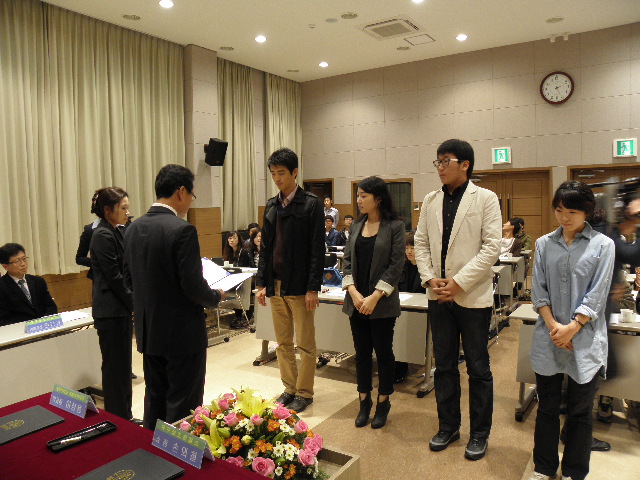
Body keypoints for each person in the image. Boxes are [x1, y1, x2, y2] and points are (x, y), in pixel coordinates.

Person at [414, 138, 501, 460]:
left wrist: (459, 283)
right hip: (438, 294)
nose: (439, 167)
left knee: (478, 368)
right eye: (437, 162)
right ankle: (448, 426)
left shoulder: (485, 198)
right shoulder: (431, 199)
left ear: (465, 164)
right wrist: (429, 278)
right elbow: (421, 243)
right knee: (444, 366)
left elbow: (491, 248)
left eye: (445, 161)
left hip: (472, 296)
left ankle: (479, 433)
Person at [123, 164, 225, 429]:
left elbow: (129, 280)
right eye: (192, 195)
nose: (191, 201)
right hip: (181, 333)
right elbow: (192, 286)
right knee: (183, 403)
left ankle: (150, 449)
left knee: (155, 397)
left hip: (149, 330)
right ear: (181, 192)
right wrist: (215, 296)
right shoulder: (182, 230)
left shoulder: (133, 228)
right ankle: (176, 453)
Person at [528, 181, 614, 480]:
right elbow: (538, 290)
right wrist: (555, 327)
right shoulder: (543, 243)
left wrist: (574, 327)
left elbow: (598, 293)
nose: (564, 217)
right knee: (547, 407)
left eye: (572, 212)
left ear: (587, 212)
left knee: (580, 410)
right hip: (549, 336)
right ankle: (543, 467)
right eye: (559, 210)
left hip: (585, 338)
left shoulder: (603, 245)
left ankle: (574, 471)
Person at [256, 148, 325, 414]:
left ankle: (305, 392)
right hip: (275, 284)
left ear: (295, 172)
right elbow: (266, 248)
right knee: (282, 343)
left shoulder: (311, 204)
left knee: (305, 343)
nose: (277, 179)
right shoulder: (272, 205)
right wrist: (261, 283)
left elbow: (317, 249)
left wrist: (312, 288)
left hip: (300, 285)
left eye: (282, 173)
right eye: (273, 174)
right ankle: (289, 388)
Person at [342, 176, 405, 429]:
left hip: (382, 304)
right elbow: (347, 262)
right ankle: (364, 401)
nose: (358, 200)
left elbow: (396, 265)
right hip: (356, 302)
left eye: (363, 196)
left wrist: (375, 296)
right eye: (358, 195)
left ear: (378, 199)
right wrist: (354, 292)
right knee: (361, 355)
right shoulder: (356, 226)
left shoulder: (395, 226)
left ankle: (383, 401)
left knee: (384, 353)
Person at [89, 187, 136, 422]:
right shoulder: (102, 235)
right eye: (123, 208)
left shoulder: (117, 231)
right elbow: (115, 278)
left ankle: (125, 414)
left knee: (124, 367)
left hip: (120, 309)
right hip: (110, 311)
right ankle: (117, 418)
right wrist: (135, 303)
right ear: (108, 210)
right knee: (115, 369)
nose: (127, 212)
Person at [395, 231, 427, 383]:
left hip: (421, 312)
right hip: (402, 308)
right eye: (407, 248)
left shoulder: (426, 269)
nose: (409, 251)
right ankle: (398, 367)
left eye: (412, 248)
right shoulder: (401, 266)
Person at [0, 243, 58, 327]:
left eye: (24, 259)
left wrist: (43, 323)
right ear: (5, 266)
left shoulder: (38, 281)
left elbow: (51, 307)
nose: (23, 264)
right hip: (19, 330)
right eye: (17, 261)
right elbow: (3, 318)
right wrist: (30, 326)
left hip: (44, 327)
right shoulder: (2, 286)